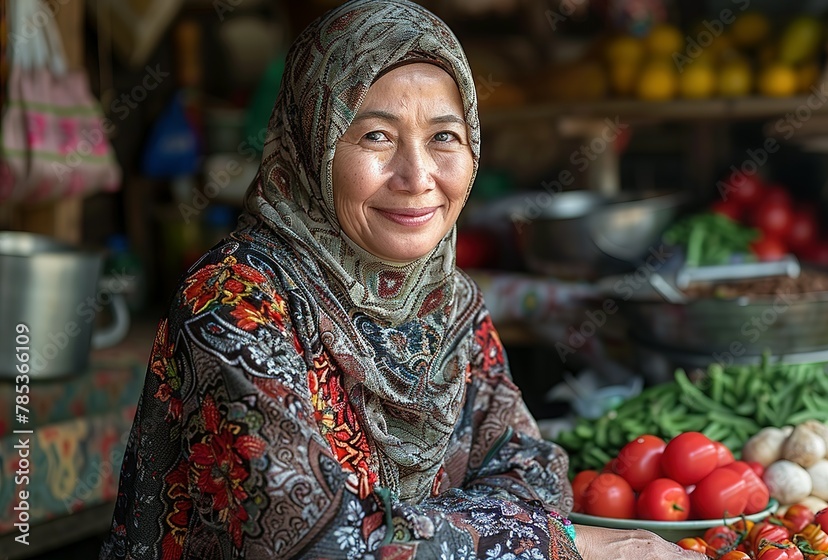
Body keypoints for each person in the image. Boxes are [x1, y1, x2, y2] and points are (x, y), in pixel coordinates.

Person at [100, 1, 705, 558]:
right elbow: (316, 542)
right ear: (314, 145)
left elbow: (535, 478)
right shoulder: (237, 303)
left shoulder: (450, 305)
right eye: (376, 137)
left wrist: (415, 535)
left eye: (444, 136)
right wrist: (557, 544)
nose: (417, 176)